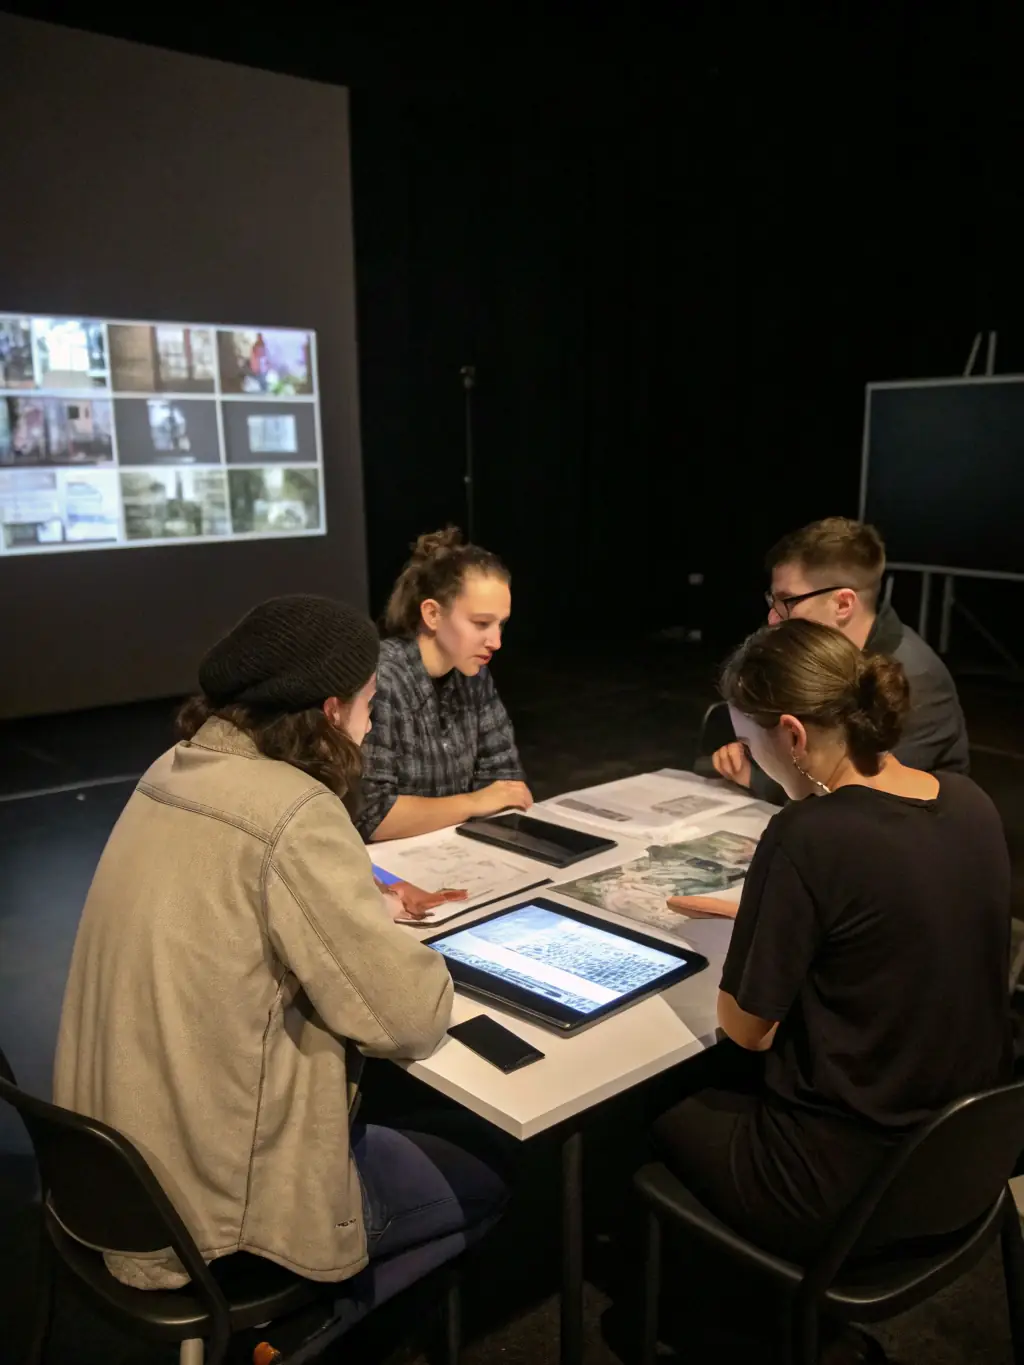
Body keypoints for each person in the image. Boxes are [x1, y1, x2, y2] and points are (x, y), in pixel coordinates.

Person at [54, 595, 507, 1291]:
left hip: (106, 1182)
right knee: (487, 1182)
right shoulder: (295, 810)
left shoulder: (168, 771)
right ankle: (299, 1333)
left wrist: (361, 901)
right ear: (331, 712)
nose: (373, 721)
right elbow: (407, 1017)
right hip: (212, 1213)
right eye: (368, 703)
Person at [653, 618, 1011, 1276]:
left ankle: (711, 1315)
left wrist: (767, 924)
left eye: (750, 742)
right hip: (964, 1161)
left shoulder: (807, 833)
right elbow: (902, 923)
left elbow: (748, 1029)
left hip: (838, 1187)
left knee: (649, 1108)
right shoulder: (970, 801)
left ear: (791, 734)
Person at [711, 518, 969, 804]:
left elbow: (863, 790)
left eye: (788, 601)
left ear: (843, 604)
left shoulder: (914, 676)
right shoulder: (821, 660)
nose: (774, 617)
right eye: (772, 600)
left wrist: (759, 777)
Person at [358, 528, 532, 841]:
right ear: (433, 614)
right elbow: (373, 815)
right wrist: (473, 802)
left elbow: (506, 786)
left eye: (500, 625)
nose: (496, 642)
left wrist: (484, 802)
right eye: (481, 623)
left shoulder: (475, 676)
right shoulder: (382, 679)